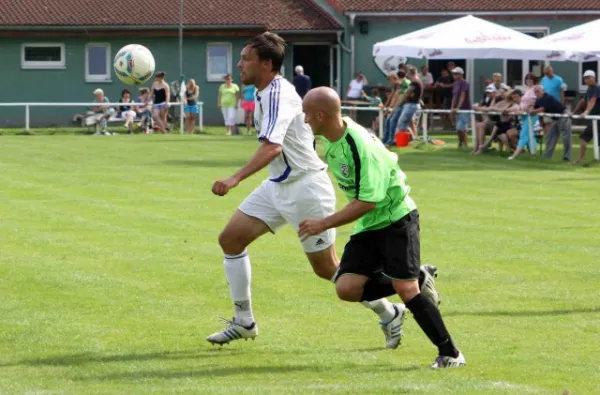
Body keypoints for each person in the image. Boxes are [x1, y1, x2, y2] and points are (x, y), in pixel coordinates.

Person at [206, 32, 406, 349]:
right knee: (230, 239)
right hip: (278, 184)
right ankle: (244, 321)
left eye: (246, 58)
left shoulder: (278, 95)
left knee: (327, 268)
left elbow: (272, 148)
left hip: (306, 189)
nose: (240, 63)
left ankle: (389, 310)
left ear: (267, 64)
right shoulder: (263, 92)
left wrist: (235, 178)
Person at [300, 87, 465, 369]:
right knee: (347, 288)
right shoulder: (331, 138)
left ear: (320, 115)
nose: (304, 120)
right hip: (371, 223)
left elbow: (368, 201)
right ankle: (420, 276)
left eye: (306, 114)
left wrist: (323, 223)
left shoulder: (358, 145)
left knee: (406, 289)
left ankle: (450, 354)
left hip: (396, 217)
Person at [530, 85, 572, 161]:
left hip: (563, 114)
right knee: (550, 136)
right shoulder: (538, 99)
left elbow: (542, 109)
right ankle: (547, 156)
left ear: (543, 91)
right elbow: (534, 108)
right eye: (535, 92)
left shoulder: (547, 97)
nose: (536, 93)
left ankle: (567, 157)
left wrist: (531, 112)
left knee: (566, 137)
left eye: (538, 91)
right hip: (555, 118)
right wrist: (530, 110)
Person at [507, 73, 539, 160]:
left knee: (523, 135)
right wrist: (518, 109)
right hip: (525, 116)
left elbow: (533, 102)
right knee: (529, 135)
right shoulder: (527, 89)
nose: (529, 81)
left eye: (531, 79)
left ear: (534, 80)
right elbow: (522, 103)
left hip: (531, 115)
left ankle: (514, 156)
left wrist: (524, 110)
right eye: (527, 79)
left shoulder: (534, 89)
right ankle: (534, 154)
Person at [572, 70, 600, 164]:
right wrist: (573, 112)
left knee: (584, 137)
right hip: (595, 118)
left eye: (588, 78)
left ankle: (581, 159)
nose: (586, 80)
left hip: (598, 118)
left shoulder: (596, 87)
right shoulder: (589, 89)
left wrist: (586, 112)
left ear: (594, 78)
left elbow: (593, 100)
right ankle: (581, 159)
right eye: (585, 78)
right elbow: (583, 101)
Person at [395, 66, 422, 141]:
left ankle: (402, 141)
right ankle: (413, 138)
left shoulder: (414, 82)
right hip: (412, 105)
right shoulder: (417, 81)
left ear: (409, 73)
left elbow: (407, 94)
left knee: (402, 123)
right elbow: (409, 94)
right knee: (410, 123)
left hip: (411, 105)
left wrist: (398, 104)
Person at [450, 67, 471, 148]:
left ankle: (462, 144)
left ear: (461, 74)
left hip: (465, 108)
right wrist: (452, 108)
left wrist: (458, 107)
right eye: (453, 74)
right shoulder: (455, 84)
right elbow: (454, 97)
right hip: (456, 109)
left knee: (460, 128)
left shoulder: (465, 83)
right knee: (460, 129)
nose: (454, 75)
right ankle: (462, 144)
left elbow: (463, 96)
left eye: (456, 74)